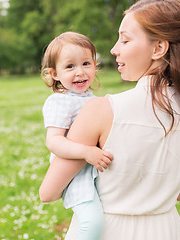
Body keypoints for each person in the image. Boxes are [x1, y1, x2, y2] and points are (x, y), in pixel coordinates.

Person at [39, 0, 180, 239]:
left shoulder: (100, 110)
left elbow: (48, 192)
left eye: (125, 39)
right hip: (167, 230)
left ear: (159, 48)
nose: (114, 49)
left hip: (109, 230)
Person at [40, 31, 113, 240]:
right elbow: (53, 141)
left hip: (94, 170)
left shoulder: (92, 98)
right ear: (54, 74)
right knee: (92, 221)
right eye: (70, 66)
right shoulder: (60, 101)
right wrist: (86, 151)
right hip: (75, 176)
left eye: (86, 64)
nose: (80, 72)